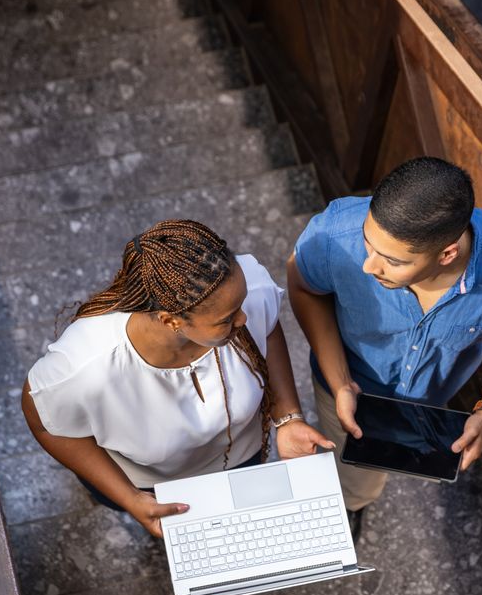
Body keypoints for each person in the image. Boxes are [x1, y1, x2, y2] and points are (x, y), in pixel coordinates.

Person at [287, 156, 482, 540]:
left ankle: (353, 501)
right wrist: (341, 381)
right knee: (348, 461)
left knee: (377, 467)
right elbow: (302, 286)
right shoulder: (332, 233)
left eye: (392, 261)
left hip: (433, 393)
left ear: (447, 253)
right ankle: (347, 498)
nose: (368, 266)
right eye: (368, 243)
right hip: (346, 379)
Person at [22, 219, 333, 537]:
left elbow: (268, 329)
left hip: (241, 457)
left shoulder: (245, 290)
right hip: (150, 484)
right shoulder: (84, 368)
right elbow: (45, 423)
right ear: (171, 320)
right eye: (227, 320)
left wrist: (289, 417)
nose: (244, 317)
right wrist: (131, 499)